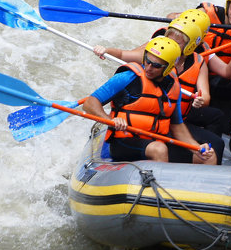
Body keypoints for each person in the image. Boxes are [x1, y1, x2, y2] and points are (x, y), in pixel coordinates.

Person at [82, 36, 215, 165]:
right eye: (147, 61)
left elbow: (177, 126)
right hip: (124, 142)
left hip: (156, 142)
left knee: (208, 156)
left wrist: (197, 148)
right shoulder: (127, 77)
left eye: (156, 65)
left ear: (168, 67)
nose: (149, 67)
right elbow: (89, 103)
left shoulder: (174, 87)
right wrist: (109, 120)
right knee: (159, 149)